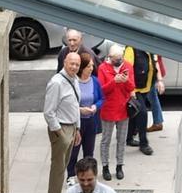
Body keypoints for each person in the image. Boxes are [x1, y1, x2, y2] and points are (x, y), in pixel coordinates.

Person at [44, 51, 83, 193]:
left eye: (77, 64)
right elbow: (48, 112)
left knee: (64, 166)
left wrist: (77, 129)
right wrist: (60, 133)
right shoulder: (57, 83)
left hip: (71, 126)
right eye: (71, 63)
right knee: (58, 167)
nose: (74, 67)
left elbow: (75, 105)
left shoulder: (75, 80)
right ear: (64, 63)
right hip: (61, 128)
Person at [97, 45, 134, 182]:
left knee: (122, 140)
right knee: (106, 140)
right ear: (110, 57)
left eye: (120, 58)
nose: (119, 61)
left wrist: (126, 81)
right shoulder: (103, 68)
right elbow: (102, 90)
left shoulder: (128, 66)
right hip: (108, 109)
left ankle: (119, 166)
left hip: (123, 108)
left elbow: (132, 87)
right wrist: (114, 81)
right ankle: (105, 166)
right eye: (116, 59)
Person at [67, 52, 104, 178]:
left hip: (91, 121)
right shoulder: (73, 82)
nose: (92, 69)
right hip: (76, 122)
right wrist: (80, 110)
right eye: (89, 66)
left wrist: (95, 106)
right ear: (82, 67)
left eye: (92, 66)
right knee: (73, 152)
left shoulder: (95, 81)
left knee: (89, 152)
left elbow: (101, 99)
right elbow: (68, 103)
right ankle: (71, 176)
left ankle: (88, 176)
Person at [123, 46, 157, 156]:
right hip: (135, 88)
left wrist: (159, 80)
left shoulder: (149, 49)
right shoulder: (131, 49)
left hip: (145, 87)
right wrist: (131, 89)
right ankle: (144, 143)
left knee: (135, 111)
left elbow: (154, 65)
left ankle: (129, 138)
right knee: (142, 113)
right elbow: (127, 70)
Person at [147, 55, 167, 133]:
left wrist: (160, 80)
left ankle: (158, 122)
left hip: (153, 71)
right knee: (152, 97)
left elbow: (155, 59)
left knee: (152, 97)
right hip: (154, 70)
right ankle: (158, 121)